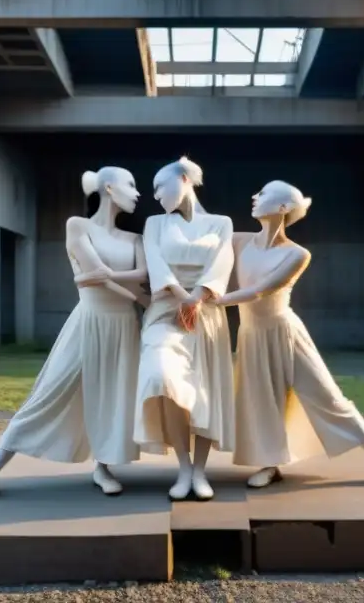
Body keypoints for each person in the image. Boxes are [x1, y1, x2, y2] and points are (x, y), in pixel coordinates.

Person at [213, 180, 364, 490]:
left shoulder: (297, 254)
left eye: (263, 193)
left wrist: (210, 299)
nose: (254, 196)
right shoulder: (240, 241)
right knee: (262, 403)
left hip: (286, 333)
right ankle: (271, 464)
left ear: (282, 208)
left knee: (329, 397)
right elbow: (203, 228)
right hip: (251, 335)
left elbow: (258, 291)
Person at [0, 166, 147, 503]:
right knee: (47, 394)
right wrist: (118, 284)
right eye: (131, 185)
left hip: (123, 326)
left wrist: (104, 278)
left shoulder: (135, 239)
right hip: (89, 320)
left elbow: (137, 274)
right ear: (108, 187)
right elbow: (96, 272)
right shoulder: (77, 225)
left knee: (112, 397)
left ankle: (102, 467)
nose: (137, 193)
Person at [134, 156, 235, 502]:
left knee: (204, 389)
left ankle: (198, 471)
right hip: (166, 310)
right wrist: (183, 297)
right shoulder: (154, 224)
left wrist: (198, 297)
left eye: (160, 186)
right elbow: (156, 263)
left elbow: (223, 262)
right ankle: (181, 463)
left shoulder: (221, 223)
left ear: (183, 178)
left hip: (205, 313)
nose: (156, 195)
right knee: (162, 375)